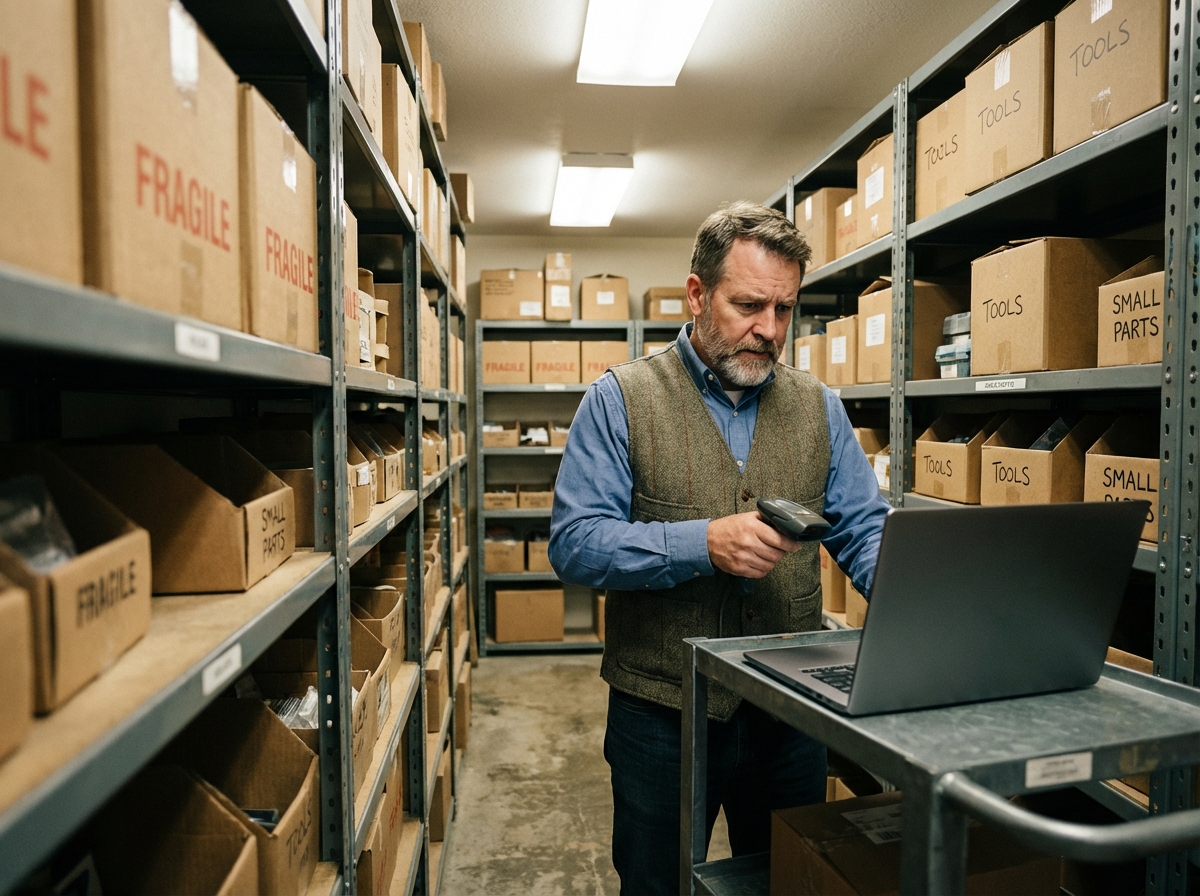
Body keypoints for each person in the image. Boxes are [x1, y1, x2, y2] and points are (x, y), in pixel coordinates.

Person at [548, 201, 889, 894]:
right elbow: (577, 544)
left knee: (790, 881)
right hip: (661, 718)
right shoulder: (621, 400)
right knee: (658, 884)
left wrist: (927, 605)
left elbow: (865, 530)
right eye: (749, 305)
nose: (768, 330)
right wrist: (700, 542)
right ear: (697, 295)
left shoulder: (818, 406)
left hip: (790, 713)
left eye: (785, 310)